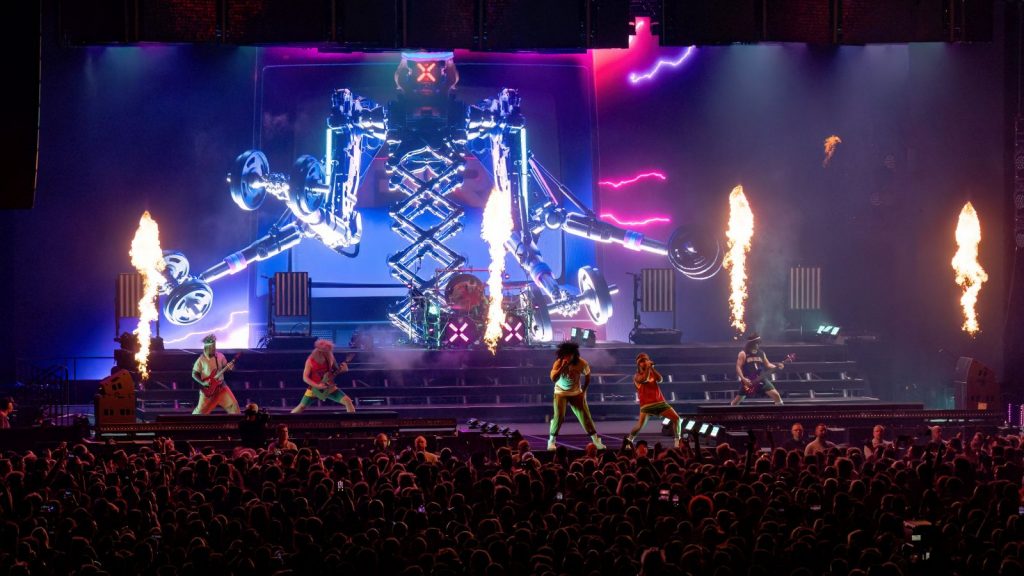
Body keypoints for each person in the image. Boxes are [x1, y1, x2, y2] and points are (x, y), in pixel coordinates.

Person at [548, 341, 604, 451]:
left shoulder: (582, 363)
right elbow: (553, 379)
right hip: (560, 392)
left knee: (585, 416)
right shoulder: (558, 363)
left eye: (570, 355)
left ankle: (596, 440)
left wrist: (584, 391)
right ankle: (551, 441)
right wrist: (562, 367)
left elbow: (588, 376)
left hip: (576, 392)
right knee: (559, 417)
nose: (568, 357)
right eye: (566, 355)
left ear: (574, 354)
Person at [626, 353, 682, 448]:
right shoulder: (636, 376)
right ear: (638, 364)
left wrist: (652, 368)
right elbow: (644, 379)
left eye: (646, 360)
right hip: (647, 406)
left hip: (660, 403)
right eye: (642, 361)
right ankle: (629, 441)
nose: (645, 362)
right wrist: (648, 368)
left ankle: (677, 441)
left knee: (677, 419)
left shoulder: (651, 372)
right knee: (640, 426)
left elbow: (660, 379)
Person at [291, 339, 356, 414]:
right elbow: (305, 378)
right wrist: (317, 386)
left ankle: (351, 420)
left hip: (329, 387)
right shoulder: (310, 361)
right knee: (301, 407)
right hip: (314, 389)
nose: (328, 353)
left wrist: (343, 370)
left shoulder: (331, 357)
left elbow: (335, 371)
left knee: (348, 401)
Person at [731, 334, 785, 406]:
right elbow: (738, 367)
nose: (758, 344)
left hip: (761, 378)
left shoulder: (761, 353)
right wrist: (743, 379)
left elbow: (768, 364)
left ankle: (780, 412)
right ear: (751, 343)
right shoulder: (743, 353)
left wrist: (777, 366)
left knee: (776, 395)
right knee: (735, 402)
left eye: (758, 343)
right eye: (756, 343)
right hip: (749, 381)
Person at [191, 335, 240, 415]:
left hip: (221, 388)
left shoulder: (220, 356)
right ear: (206, 348)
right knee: (200, 414)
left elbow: (226, 367)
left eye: (215, 346)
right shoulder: (201, 360)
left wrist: (230, 368)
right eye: (212, 347)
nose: (214, 348)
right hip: (208, 391)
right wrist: (203, 383)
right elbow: (194, 374)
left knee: (234, 408)